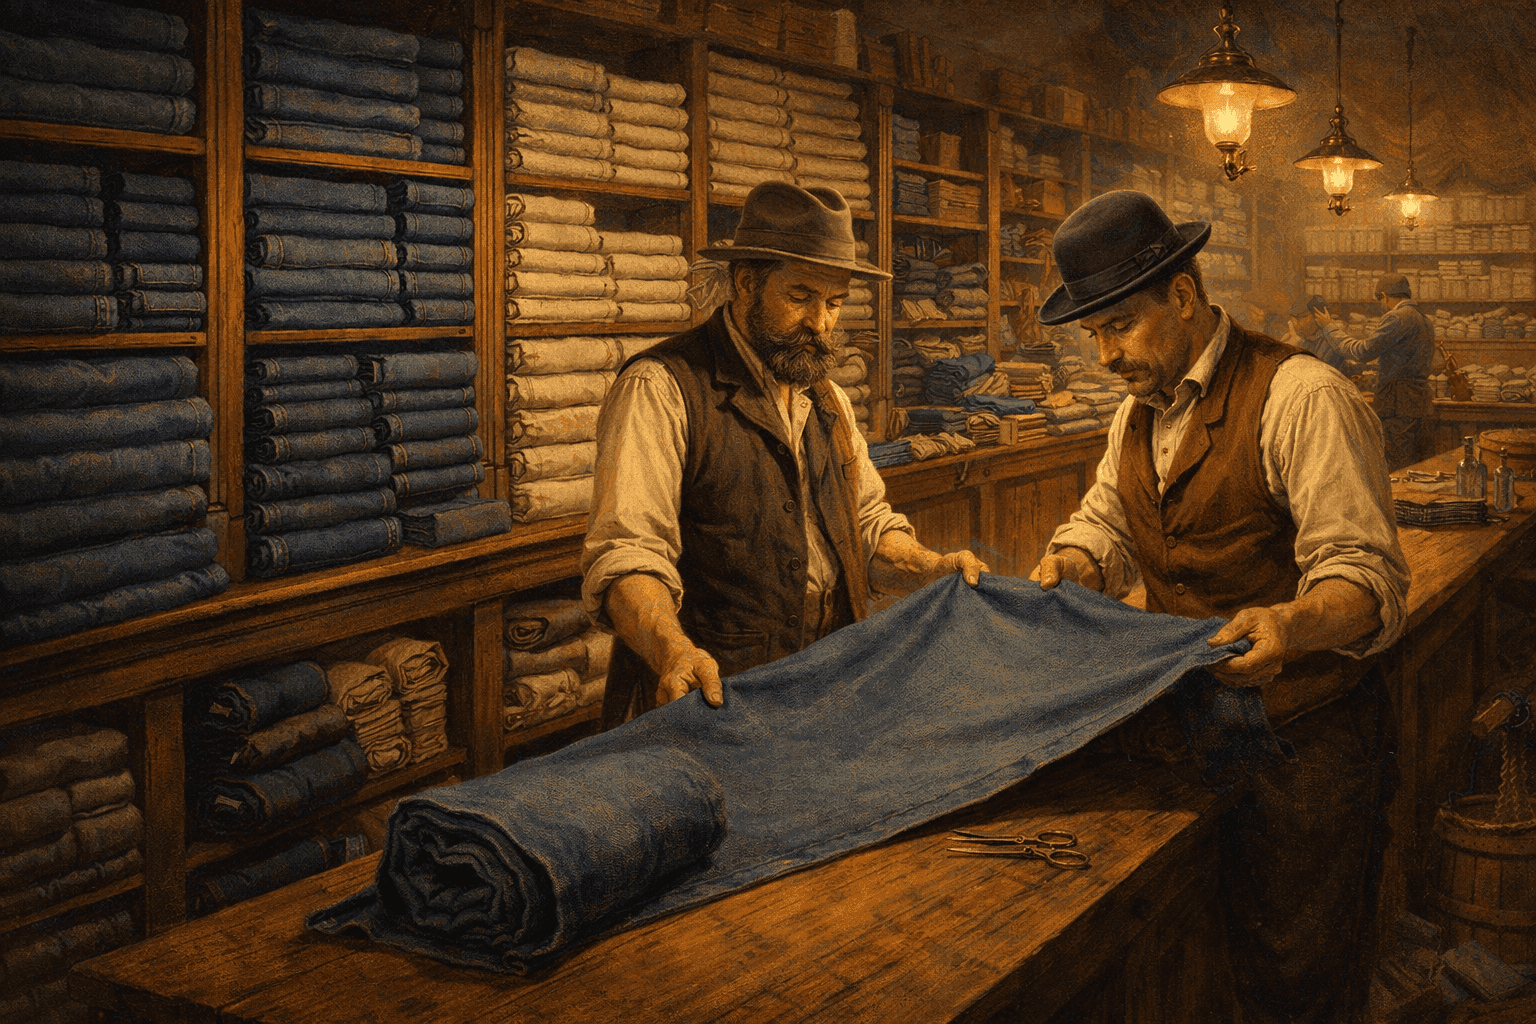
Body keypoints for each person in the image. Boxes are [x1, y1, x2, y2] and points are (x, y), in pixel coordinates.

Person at [1028, 190, 1410, 1024]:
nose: (1104, 356)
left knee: (1299, 978)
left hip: (1305, 742)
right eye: (1092, 335)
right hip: (1198, 735)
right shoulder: (1137, 413)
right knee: (1202, 958)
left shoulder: (1303, 396)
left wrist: (1289, 624)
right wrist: (1076, 562)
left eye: (1119, 326)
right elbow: (1108, 522)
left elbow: (1367, 581)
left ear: (1184, 296)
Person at [583, 182, 988, 726]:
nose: (821, 323)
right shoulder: (660, 388)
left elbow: (866, 525)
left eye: (835, 303)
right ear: (746, 283)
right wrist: (673, 652)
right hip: (710, 700)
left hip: (823, 684)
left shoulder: (828, 399)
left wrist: (931, 568)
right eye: (801, 297)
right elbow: (629, 554)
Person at [1315, 273, 1434, 469]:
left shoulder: (1397, 317)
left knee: (1397, 464)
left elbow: (1361, 352)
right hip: (1418, 403)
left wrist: (1330, 328)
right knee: (1414, 465)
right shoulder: (1423, 319)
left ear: (1385, 296)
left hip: (1397, 404)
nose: (1381, 305)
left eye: (1380, 300)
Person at [1281, 294, 1348, 372]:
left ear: (1318, 317)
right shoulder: (1303, 339)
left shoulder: (1330, 342)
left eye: (1302, 317)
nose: (1295, 323)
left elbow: (1313, 371)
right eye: (1293, 318)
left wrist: (1297, 343)